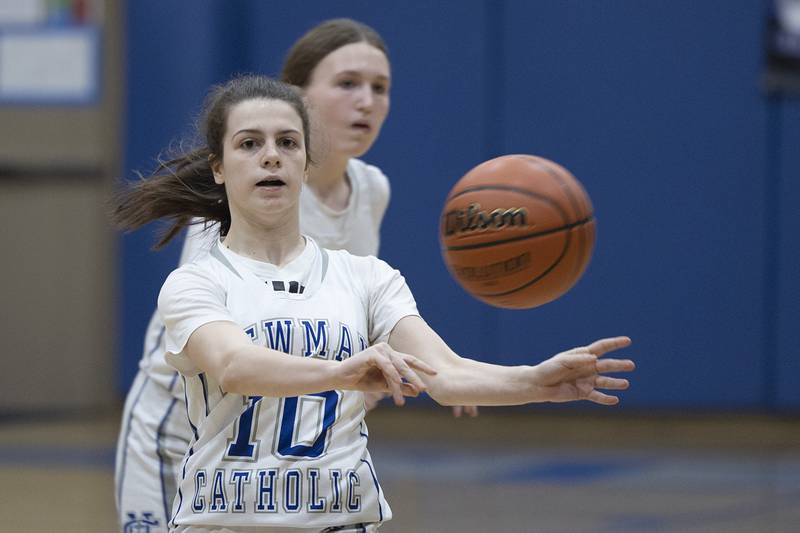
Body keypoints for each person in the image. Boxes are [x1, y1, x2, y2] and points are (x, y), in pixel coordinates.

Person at [112, 74, 634, 532]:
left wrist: (534, 382)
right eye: (249, 143)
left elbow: (445, 374)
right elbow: (233, 365)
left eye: (288, 142)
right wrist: (342, 371)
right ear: (219, 168)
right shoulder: (195, 282)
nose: (271, 155)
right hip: (224, 522)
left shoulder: (366, 277)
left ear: (305, 162)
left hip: (340, 520)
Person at [115, 18, 473, 533]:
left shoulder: (371, 189)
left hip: (285, 434)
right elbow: (233, 354)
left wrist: (451, 376)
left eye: (380, 88)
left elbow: (354, 317)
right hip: (187, 426)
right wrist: (345, 371)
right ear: (298, 98)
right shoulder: (241, 201)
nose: (367, 101)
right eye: (347, 84)